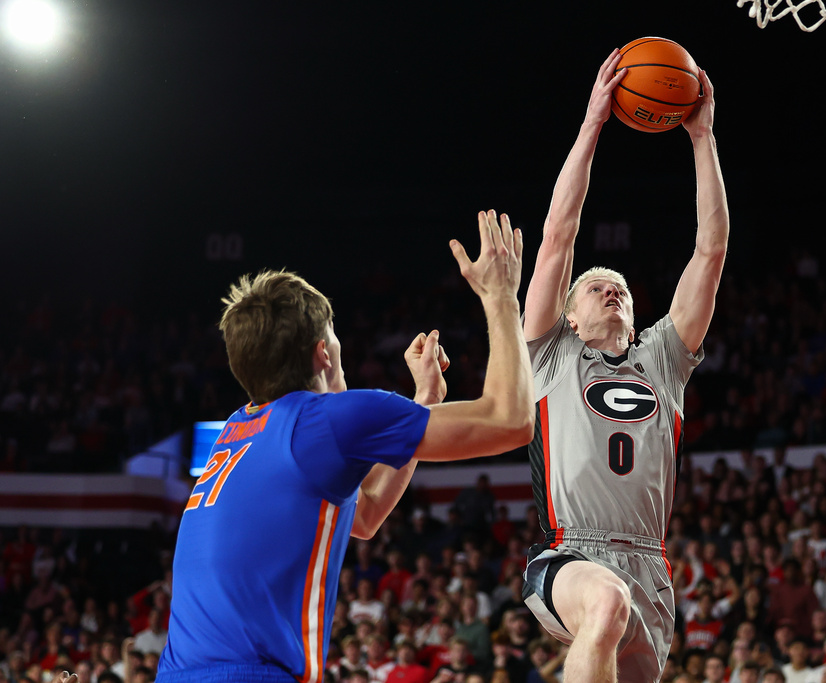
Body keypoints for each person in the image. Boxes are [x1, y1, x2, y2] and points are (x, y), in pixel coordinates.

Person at [157, 211, 536, 683]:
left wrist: (425, 402)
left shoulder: (238, 430)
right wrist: (500, 296)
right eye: (333, 335)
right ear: (322, 352)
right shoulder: (323, 421)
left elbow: (365, 512)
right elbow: (511, 420)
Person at [519, 47, 728, 683]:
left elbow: (711, 248)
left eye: (623, 288)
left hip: (652, 564)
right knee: (604, 604)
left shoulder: (662, 359)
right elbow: (559, 233)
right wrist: (592, 126)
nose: (612, 289)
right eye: (595, 287)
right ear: (570, 317)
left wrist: (702, 138)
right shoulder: (553, 352)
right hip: (570, 552)